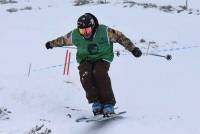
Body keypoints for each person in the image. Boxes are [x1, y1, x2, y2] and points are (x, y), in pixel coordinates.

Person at [45, 13, 142, 116]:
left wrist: (133, 49)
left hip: (102, 58)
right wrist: (51, 44)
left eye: (87, 30)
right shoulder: (75, 35)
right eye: (82, 31)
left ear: (93, 27)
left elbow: (120, 37)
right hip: (85, 59)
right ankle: (96, 102)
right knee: (85, 75)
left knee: (99, 72)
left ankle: (109, 104)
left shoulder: (105, 31)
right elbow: (63, 40)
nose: (85, 33)